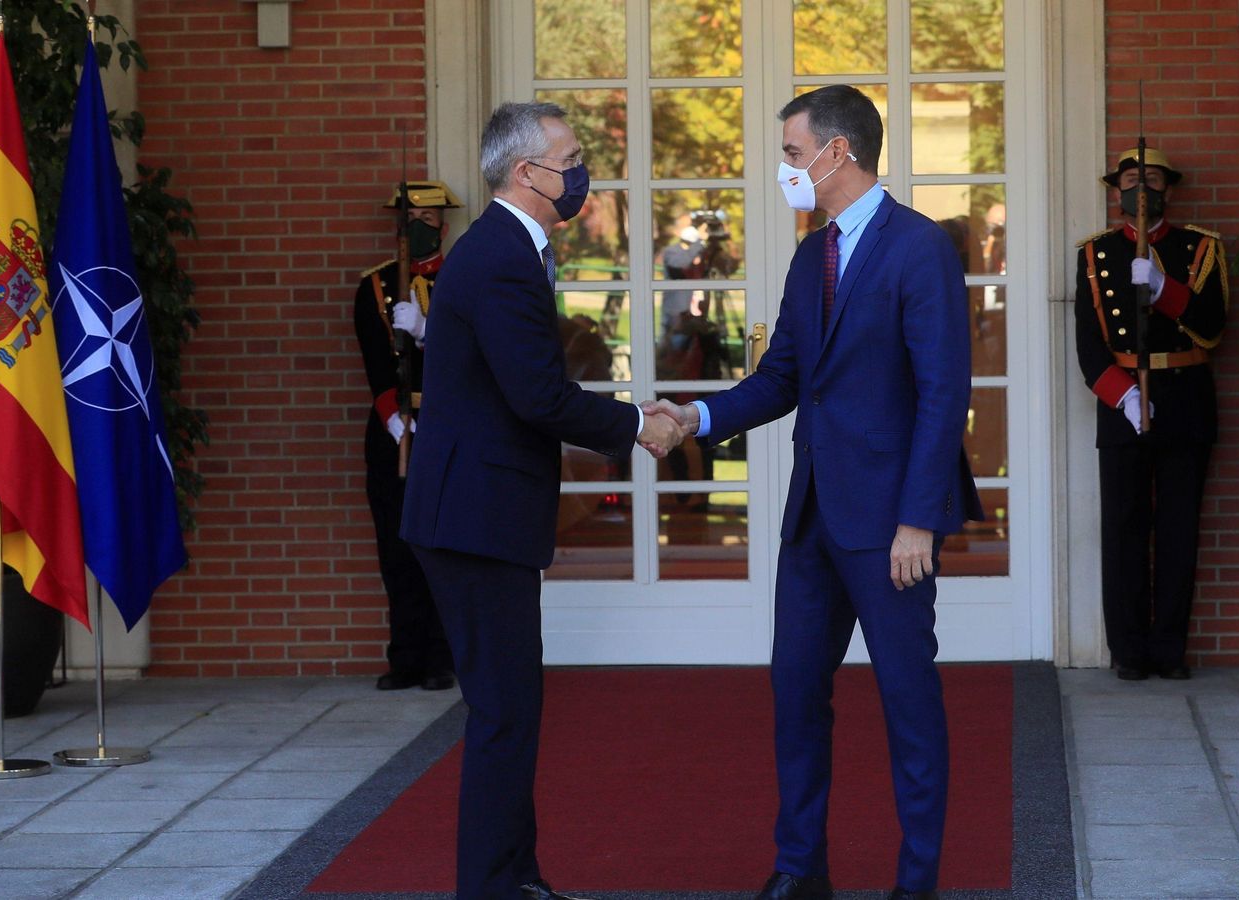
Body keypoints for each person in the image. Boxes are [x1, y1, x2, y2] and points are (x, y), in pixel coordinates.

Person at [649, 84, 981, 900]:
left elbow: (944, 391)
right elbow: (783, 379)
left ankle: (918, 880)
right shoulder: (811, 255)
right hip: (812, 524)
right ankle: (800, 868)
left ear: (839, 151)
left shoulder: (920, 247)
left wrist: (918, 519)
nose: (785, 169)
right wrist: (695, 415)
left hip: (888, 526)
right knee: (795, 695)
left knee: (909, 705)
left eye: (793, 153)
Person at [399, 101, 685, 900]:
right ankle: (492, 888)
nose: (581, 170)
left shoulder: (506, 250)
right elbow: (538, 396)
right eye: (570, 156)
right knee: (503, 715)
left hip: (480, 515)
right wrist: (636, 423)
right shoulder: (498, 256)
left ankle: (514, 878)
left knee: (512, 709)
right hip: (474, 521)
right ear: (527, 173)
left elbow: (524, 388)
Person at [1073, 147, 1228, 682]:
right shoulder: (1095, 255)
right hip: (1123, 403)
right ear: (1117, 190)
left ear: (1170, 189)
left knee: (1179, 530)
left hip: (1185, 397)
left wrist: (1165, 290)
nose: (1143, 188)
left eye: (1153, 179)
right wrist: (1125, 396)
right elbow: (1089, 348)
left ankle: (1169, 649)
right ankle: (1130, 650)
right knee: (1124, 529)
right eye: (1133, 180)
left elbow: (1214, 327)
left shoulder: (1199, 248)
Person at [353, 180, 461, 692]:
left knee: (442, 547)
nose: (420, 227)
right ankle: (406, 656)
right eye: (410, 220)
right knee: (396, 548)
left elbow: (472, 358)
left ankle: (443, 657)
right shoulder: (374, 286)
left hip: (450, 430)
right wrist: (396, 418)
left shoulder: (463, 281)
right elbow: (376, 364)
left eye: (429, 219)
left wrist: (427, 332)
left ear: (445, 223)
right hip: (394, 430)